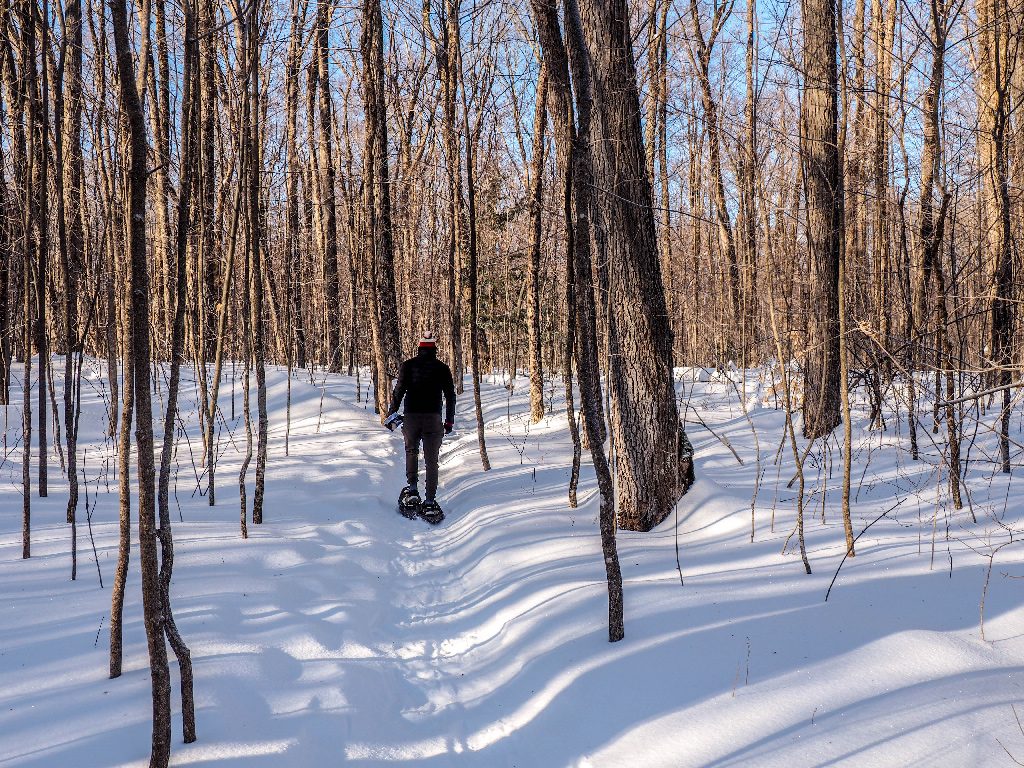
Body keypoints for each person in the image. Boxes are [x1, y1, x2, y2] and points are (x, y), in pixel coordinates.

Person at [387, 331, 456, 520]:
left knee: (411, 452)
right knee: (431, 460)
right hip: (433, 418)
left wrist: (391, 413)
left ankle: (412, 489)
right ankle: (430, 500)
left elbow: (399, 390)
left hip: (411, 417)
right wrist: (449, 421)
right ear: (434, 349)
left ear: (419, 347)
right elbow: (450, 395)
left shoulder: (408, 366)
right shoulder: (442, 368)